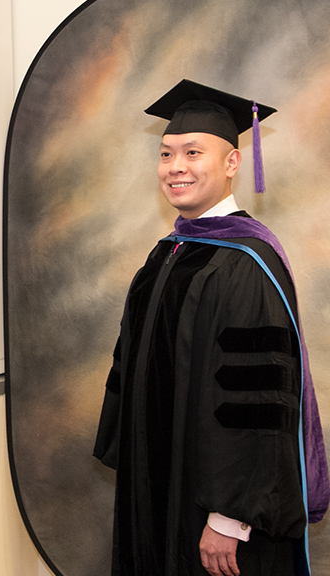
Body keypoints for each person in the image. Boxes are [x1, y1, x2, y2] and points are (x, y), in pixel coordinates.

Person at [93, 79, 330, 576]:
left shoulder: (247, 262)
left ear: (232, 163)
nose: (175, 167)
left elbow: (257, 400)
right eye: (166, 154)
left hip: (214, 514)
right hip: (159, 487)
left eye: (193, 152)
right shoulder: (167, 253)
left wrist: (230, 516)